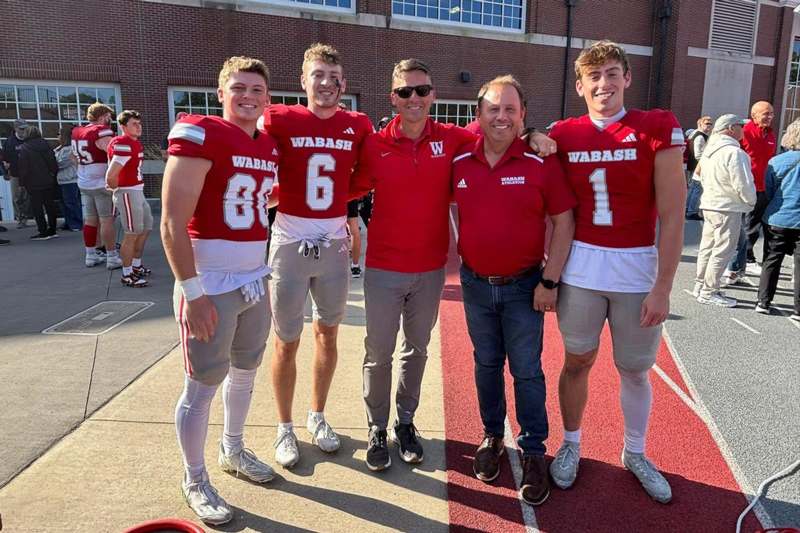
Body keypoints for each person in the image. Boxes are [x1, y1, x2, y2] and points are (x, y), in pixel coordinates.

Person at [350, 60, 557, 472]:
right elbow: (345, 183)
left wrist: (534, 134)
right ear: (393, 97)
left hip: (430, 271)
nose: (414, 98)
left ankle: (405, 423)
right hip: (384, 269)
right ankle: (376, 428)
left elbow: (497, 131)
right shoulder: (374, 144)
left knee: (417, 350)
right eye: (405, 91)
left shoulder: (453, 140)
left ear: (433, 96)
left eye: (422, 90)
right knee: (378, 354)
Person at [548, 40, 686, 504]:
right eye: (594, 76)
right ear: (580, 85)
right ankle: (570, 444)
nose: (603, 84)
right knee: (577, 360)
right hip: (582, 269)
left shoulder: (655, 127)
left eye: (611, 74)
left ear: (627, 78)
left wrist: (664, 287)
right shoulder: (563, 133)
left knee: (634, 370)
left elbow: (672, 215)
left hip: (636, 270)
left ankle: (636, 451)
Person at [161, 56, 280, 526]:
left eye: (256, 89)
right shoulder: (200, 131)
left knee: (246, 372)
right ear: (220, 92)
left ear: (268, 98)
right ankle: (194, 477)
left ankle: (233, 450)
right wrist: (193, 292)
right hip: (209, 283)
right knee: (201, 386)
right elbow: (171, 223)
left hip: (253, 278)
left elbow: (259, 198)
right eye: (238, 87)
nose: (248, 96)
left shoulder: (267, 145)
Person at [453, 75, 575, 505]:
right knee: (486, 365)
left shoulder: (541, 162)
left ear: (523, 116)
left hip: (526, 286)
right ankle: (491, 436)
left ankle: (534, 450)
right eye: (492, 109)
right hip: (473, 284)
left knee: (526, 370)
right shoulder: (459, 159)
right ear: (478, 115)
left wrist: (550, 280)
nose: (501, 116)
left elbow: (564, 221)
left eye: (510, 109)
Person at [259, 43, 373, 468]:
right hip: (289, 240)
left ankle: (317, 414)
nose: (326, 83)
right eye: (318, 75)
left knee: (328, 333)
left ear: (344, 84)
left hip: (333, 243)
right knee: (286, 341)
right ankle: (284, 426)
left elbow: (369, 172)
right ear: (303, 81)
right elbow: (243, 139)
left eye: (334, 76)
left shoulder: (357, 124)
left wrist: (342, 199)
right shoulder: (279, 117)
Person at [693, 114, 756, 307]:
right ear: (730, 128)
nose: (743, 130)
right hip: (727, 206)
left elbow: (699, 176)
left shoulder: (710, 150)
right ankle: (709, 290)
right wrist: (751, 201)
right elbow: (743, 183)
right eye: (740, 126)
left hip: (710, 203)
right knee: (723, 249)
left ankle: (700, 284)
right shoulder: (734, 153)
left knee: (708, 247)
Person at [754, 117, 800, 320]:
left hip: (777, 217)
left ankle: (763, 301)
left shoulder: (776, 161)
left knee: (771, 260)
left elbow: (769, 190)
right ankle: (798, 309)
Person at [106, 110, 154, 288]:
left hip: (137, 190)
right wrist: (115, 188)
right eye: (134, 124)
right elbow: (111, 175)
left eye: (139, 123)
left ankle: (135, 265)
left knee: (146, 227)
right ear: (123, 126)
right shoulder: (123, 143)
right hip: (127, 192)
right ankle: (127, 274)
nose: (138, 127)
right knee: (131, 233)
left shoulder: (133, 143)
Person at [72, 103, 121, 269]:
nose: (111, 119)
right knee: (107, 219)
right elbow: (113, 153)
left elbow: (73, 157)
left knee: (90, 219)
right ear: (102, 116)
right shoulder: (101, 131)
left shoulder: (78, 131)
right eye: (108, 116)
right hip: (100, 181)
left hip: (84, 181)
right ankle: (112, 256)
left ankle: (90, 254)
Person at [738, 101, 777, 269]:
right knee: (747, 224)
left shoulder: (770, 135)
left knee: (755, 224)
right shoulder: (745, 132)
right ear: (754, 115)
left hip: (764, 187)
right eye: (765, 114)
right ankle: (745, 258)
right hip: (747, 186)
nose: (769, 117)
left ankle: (747, 255)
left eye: (771, 114)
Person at [17, 126, 60, 240]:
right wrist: (52, 175)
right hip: (48, 180)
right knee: (49, 205)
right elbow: (53, 163)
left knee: (37, 207)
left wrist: (22, 183)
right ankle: (52, 229)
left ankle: (43, 230)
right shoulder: (47, 145)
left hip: (33, 182)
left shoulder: (25, 148)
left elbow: (23, 168)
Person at [2, 119, 32, 228]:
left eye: (25, 129)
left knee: (28, 196)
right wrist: (6, 172)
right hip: (15, 173)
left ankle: (27, 216)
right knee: (17, 197)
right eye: (21, 129)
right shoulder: (10, 142)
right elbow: (5, 158)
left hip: (29, 173)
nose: (24, 131)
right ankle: (21, 218)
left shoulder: (29, 140)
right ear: (16, 129)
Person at [54, 125, 82, 231]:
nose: (58, 136)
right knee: (64, 204)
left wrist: (53, 163)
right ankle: (68, 222)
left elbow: (62, 163)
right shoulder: (59, 149)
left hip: (70, 180)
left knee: (71, 203)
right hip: (61, 180)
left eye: (60, 134)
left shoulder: (71, 149)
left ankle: (77, 223)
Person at [685, 115, 713, 220]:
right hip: (698, 166)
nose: (709, 126)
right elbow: (698, 154)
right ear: (700, 124)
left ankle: (688, 209)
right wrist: (705, 164)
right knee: (697, 189)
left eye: (710, 124)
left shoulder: (696, 135)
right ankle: (691, 211)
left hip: (694, 165)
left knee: (693, 189)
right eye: (707, 123)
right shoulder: (700, 136)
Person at [347, 199, 363, 277]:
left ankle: (331, 266)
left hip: (333, 192)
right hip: (350, 194)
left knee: (333, 229)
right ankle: (355, 267)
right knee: (354, 228)